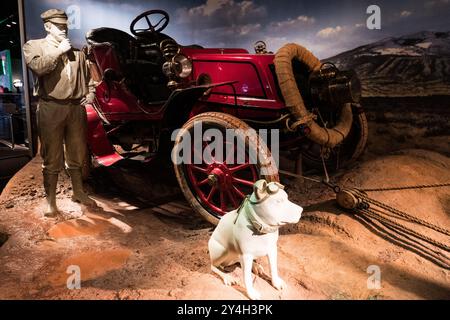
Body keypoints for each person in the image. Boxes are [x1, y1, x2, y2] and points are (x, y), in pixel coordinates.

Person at [23, 9, 96, 217]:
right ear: (48, 26)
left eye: (65, 25)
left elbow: (89, 80)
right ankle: (51, 202)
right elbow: (38, 67)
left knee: (77, 153)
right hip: (51, 107)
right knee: (52, 156)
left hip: (75, 108)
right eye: (59, 25)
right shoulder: (34, 46)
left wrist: (90, 94)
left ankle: (79, 192)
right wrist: (58, 52)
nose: (64, 29)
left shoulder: (78, 53)